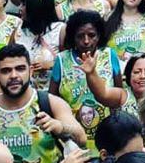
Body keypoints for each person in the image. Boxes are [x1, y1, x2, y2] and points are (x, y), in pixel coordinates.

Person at [49, 10, 122, 151]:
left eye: (92, 35)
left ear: (99, 35)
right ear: (73, 37)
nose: (86, 41)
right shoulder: (62, 60)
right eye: (80, 36)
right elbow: (52, 99)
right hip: (73, 139)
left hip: (106, 136)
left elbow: (119, 95)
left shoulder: (109, 55)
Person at [14, 0, 64, 92]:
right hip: (26, 91)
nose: (20, 8)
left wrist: (52, 65)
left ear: (35, 7)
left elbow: (70, 60)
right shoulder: (19, 32)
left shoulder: (60, 30)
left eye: (24, 5)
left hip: (53, 92)